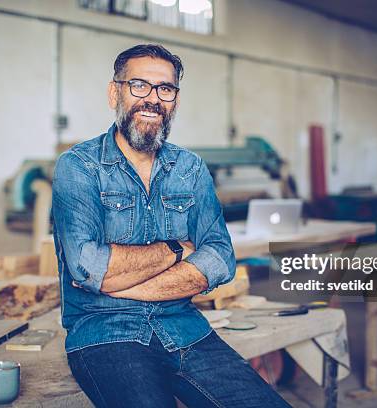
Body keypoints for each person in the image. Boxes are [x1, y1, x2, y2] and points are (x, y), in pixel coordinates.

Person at [52, 44, 291, 408]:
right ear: (114, 92)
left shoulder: (190, 168)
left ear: (174, 101)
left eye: (165, 89)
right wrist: (177, 250)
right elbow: (88, 266)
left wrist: (116, 283)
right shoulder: (79, 166)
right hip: (105, 333)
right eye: (139, 85)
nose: (152, 99)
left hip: (185, 328)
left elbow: (220, 258)